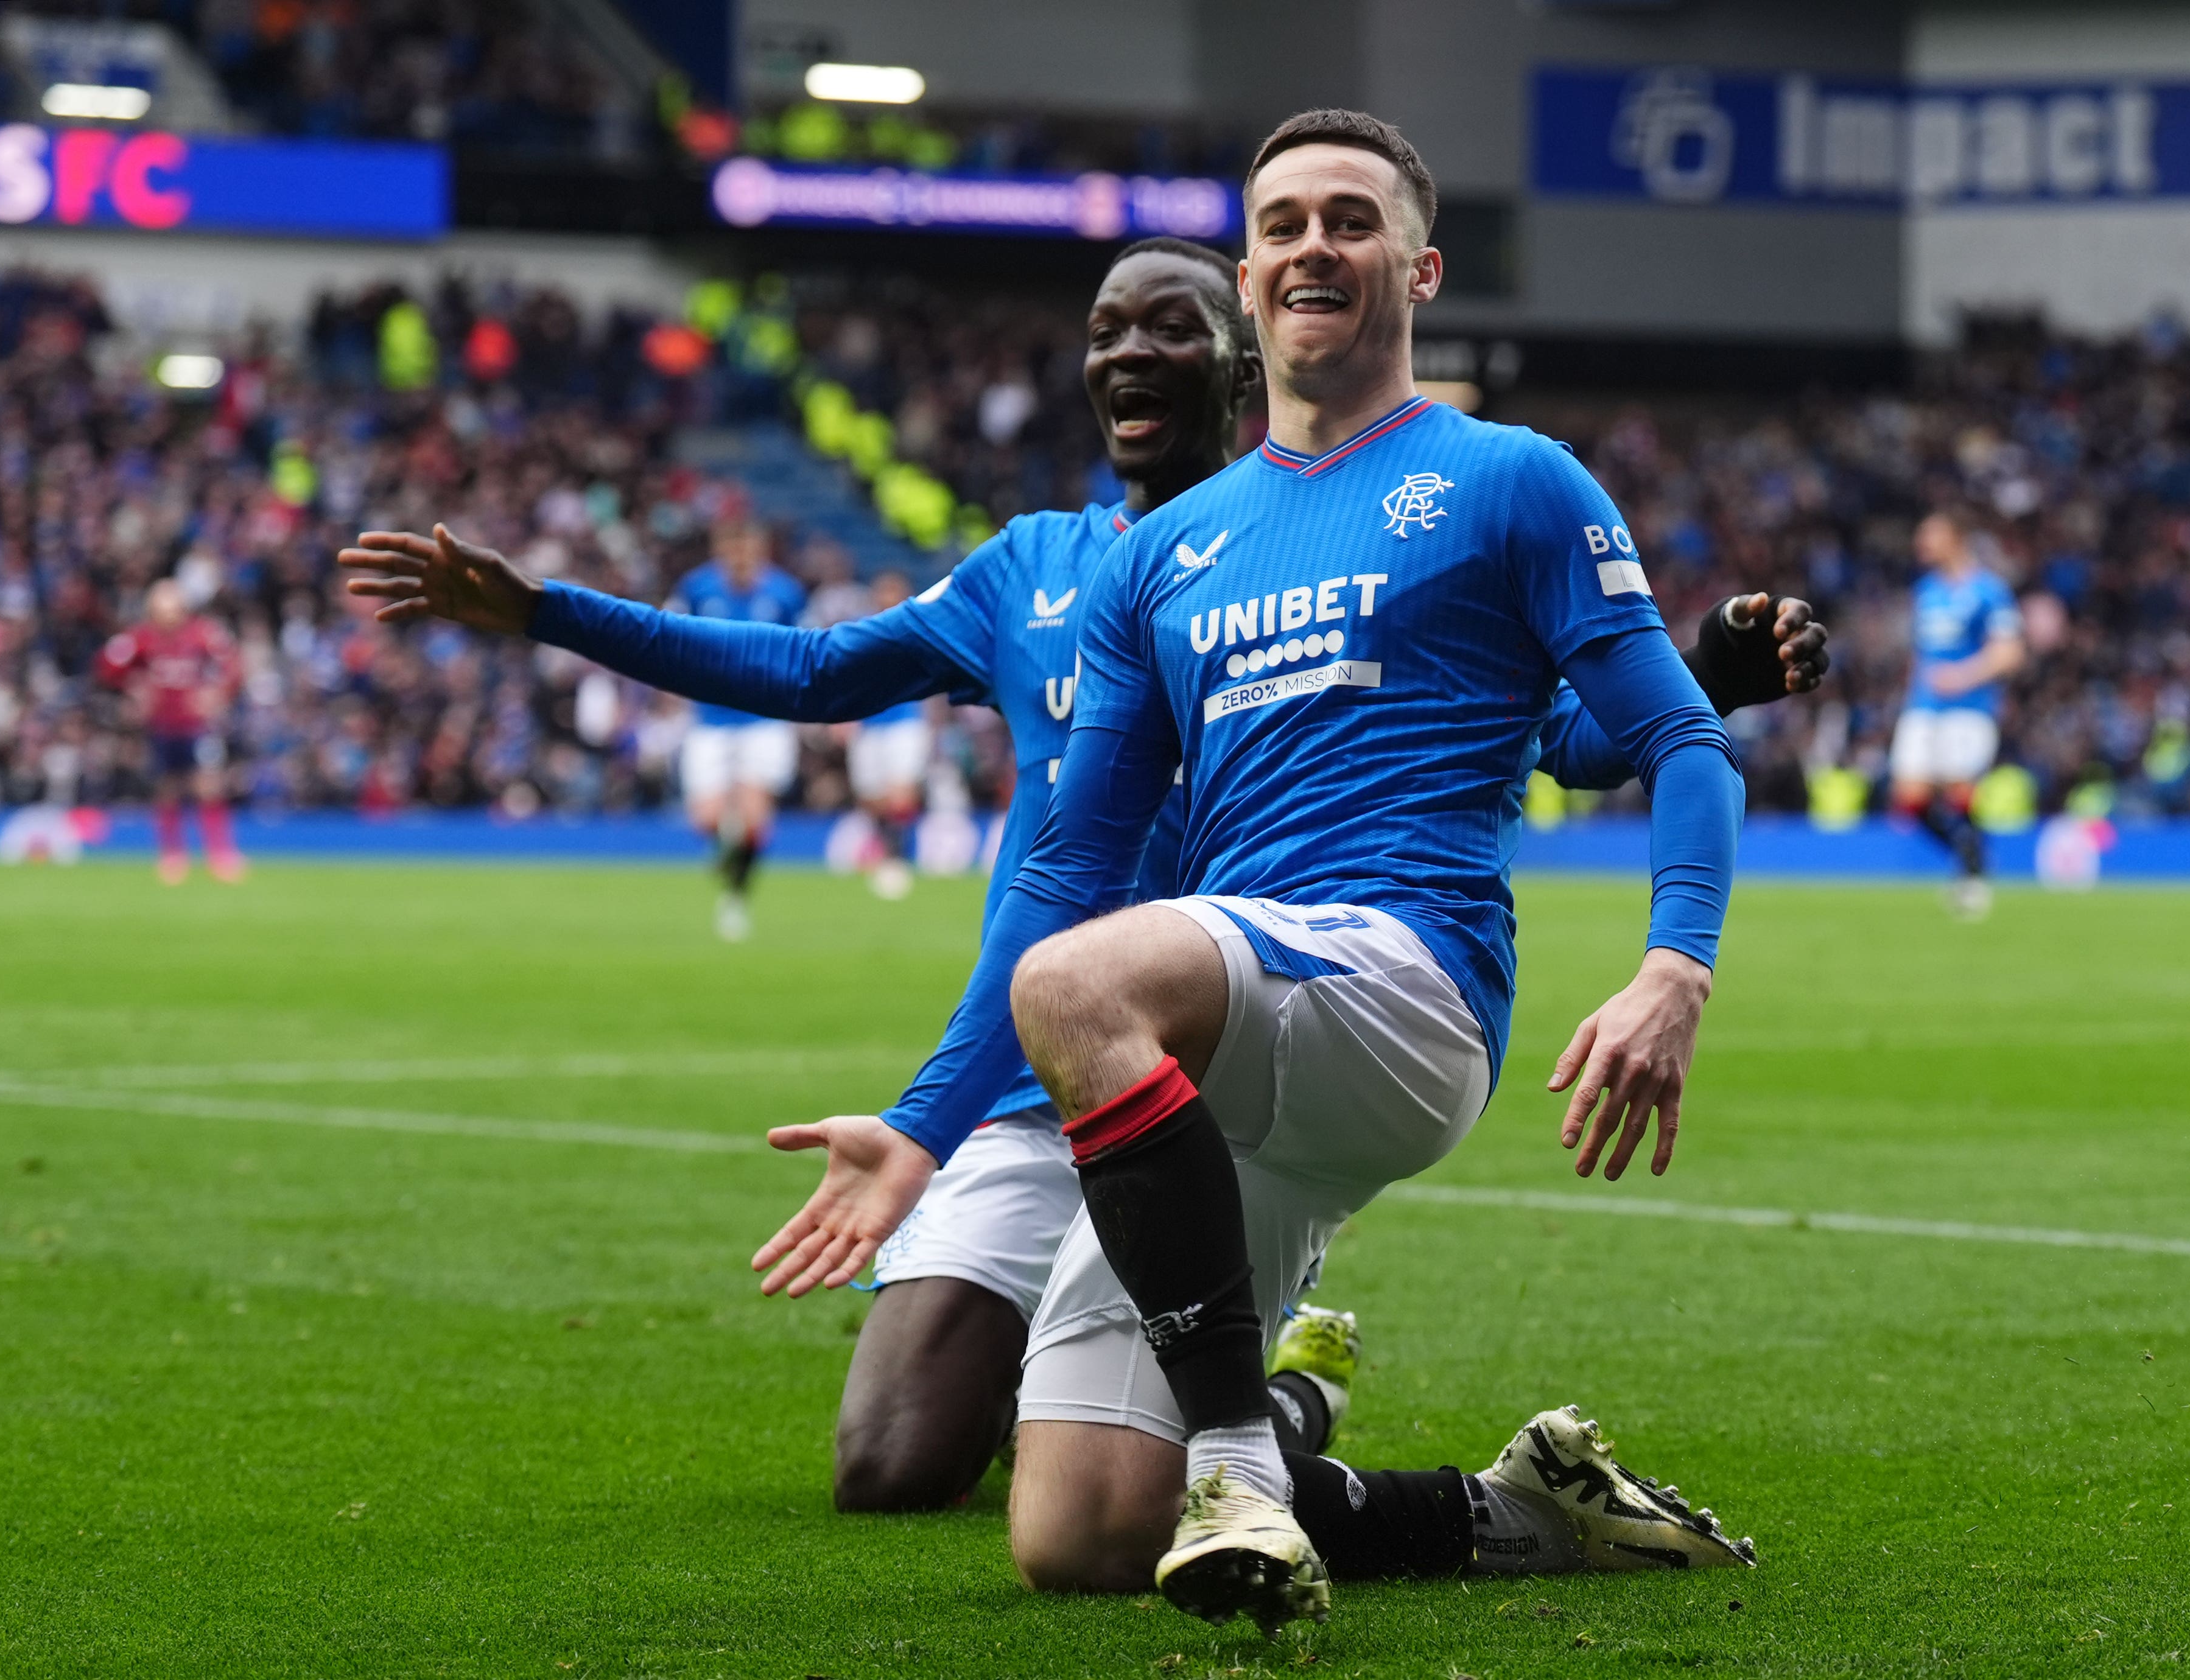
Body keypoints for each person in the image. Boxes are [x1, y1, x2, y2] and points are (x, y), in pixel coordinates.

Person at [336, 234, 1827, 1535]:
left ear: (1239, 361)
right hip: (1026, 1069)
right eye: (1108, 327)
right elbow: (805, 670)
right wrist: (543, 612)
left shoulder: (1356, 533)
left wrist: (1690, 684)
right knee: (895, 1463)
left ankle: (1249, 1402)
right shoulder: (1029, 572)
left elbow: (1516, 741)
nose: (1127, 348)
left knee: (1142, 1426)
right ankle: (1258, 1390)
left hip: (1214, 1040)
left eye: (1166, 323)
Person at [731, 108, 1764, 1632]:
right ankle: (1509, 1509)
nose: (1311, 248)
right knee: (1079, 1532)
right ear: (1249, 272)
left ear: (1416, 268)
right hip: (1224, 1058)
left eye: (1348, 221)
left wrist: (1674, 966)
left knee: (1078, 980)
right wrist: (922, 1125)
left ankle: (1234, 1451)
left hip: (1404, 982)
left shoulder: (1508, 478)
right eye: (1282, 225)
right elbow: (1071, 857)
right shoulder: (1163, 557)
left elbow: (1681, 739)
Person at [665, 519, 809, 941]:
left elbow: (808, 645)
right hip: (709, 720)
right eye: (733, 549)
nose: (741, 558)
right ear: (721, 551)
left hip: (764, 719)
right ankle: (728, 857)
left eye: (748, 548)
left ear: (760, 551)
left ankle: (735, 898)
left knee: (752, 816)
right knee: (706, 819)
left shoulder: (785, 592)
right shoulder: (696, 589)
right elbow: (670, 639)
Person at [1887, 510, 2024, 919]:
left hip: (1969, 709)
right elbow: (1921, 654)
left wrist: (1964, 676)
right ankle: (1973, 857)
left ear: (1957, 539)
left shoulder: (1988, 591)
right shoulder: (1925, 591)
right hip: (1923, 708)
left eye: (1931, 535)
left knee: (1960, 792)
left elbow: (2011, 652)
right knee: (1909, 798)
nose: (1922, 543)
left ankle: (1971, 874)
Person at [96, 579, 245, 885]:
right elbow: (107, 665)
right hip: (162, 724)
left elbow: (233, 665)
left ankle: (220, 854)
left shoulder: (202, 633)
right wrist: (132, 689)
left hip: (197, 725)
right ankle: (173, 855)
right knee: (167, 788)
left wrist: (217, 694)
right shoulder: (142, 638)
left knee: (208, 785)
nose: (168, 616)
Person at [836, 570, 930, 901]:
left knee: (901, 794)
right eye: (883, 593)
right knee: (871, 799)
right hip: (868, 726)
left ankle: (896, 861)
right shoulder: (863, 631)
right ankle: (886, 851)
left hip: (904, 724)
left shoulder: (918, 629)